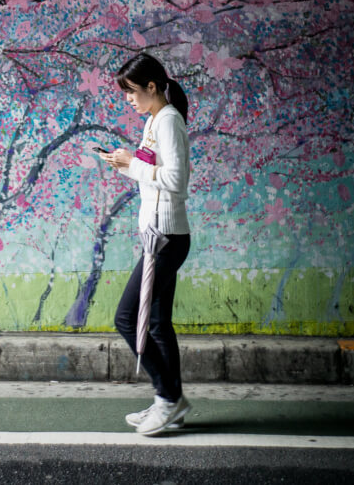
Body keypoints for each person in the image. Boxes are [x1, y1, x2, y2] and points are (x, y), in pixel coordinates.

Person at [100, 52, 192, 436]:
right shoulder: (155, 120)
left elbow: (176, 181)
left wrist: (134, 165)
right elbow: (152, 177)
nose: (128, 100)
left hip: (167, 238)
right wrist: (125, 164)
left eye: (132, 92)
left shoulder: (168, 121)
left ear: (152, 87)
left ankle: (168, 397)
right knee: (157, 323)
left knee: (125, 318)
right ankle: (170, 401)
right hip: (160, 236)